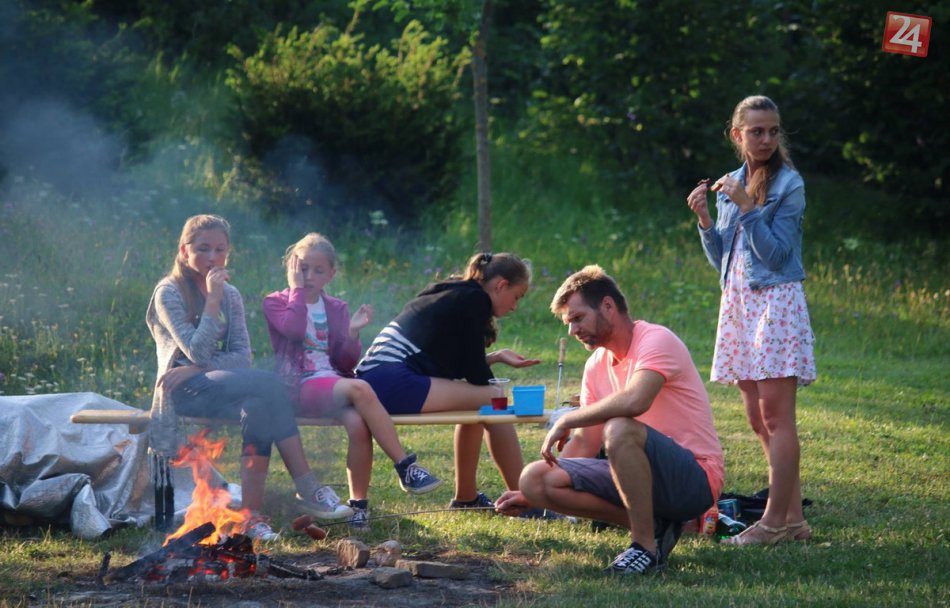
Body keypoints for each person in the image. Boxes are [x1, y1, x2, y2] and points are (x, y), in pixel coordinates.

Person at [495, 265, 725, 575]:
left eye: (578, 318)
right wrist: (532, 497)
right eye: (568, 323)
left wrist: (567, 419)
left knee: (620, 428)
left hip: (694, 478)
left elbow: (635, 400)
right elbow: (586, 441)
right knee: (534, 478)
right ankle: (657, 525)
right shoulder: (595, 364)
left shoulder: (656, 340)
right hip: (633, 473)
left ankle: (645, 548)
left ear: (607, 306)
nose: (572, 331)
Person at [146, 215, 353, 541]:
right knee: (270, 384)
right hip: (181, 391)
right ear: (184, 251)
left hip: (215, 385)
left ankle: (251, 518)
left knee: (259, 406)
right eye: (203, 249)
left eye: (220, 249)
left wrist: (197, 367)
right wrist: (212, 302)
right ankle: (307, 486)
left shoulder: (231, 294)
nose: (212, 257)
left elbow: (242, 357)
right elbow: (196, 350)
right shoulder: (169, 292)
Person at [686, 95, 816, 545]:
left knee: (777, 418)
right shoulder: (733, 182)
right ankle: (794, 519)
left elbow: (777, 256)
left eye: (773, 131)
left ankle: (774, 522)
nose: (766, 139)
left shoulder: (789, 185)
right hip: (740, 307)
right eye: (756, 131)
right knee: (757, 419)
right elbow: (724, 259)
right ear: (737, 135)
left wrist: (747, 207)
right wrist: (706, 221)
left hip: (775, 306)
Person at [263, 233, 442, 529]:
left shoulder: (336, 307)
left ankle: (358, 507)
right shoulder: (276, 302)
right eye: (303, 268)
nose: (309, 276)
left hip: (332, 385)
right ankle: (406, 467)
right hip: (298, 386)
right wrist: (295, 290)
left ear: (331, 274)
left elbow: (345, 363)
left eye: (318, 270)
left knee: (359, 425)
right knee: (360, 387)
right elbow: (293, 330)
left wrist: (353, 333)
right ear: (291, 267)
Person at [356, 252, 540, 509]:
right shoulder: (475, 300)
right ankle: (526, 502)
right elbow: (476, 376)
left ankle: (466, 498)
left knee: (479, 400)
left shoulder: (453, 291)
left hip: (375, 378)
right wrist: (490, 382)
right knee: (493, 398)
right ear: (501, 285)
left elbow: (453, 365)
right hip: (390, 381)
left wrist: (494, 357)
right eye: (516, 296)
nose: (514, 306)